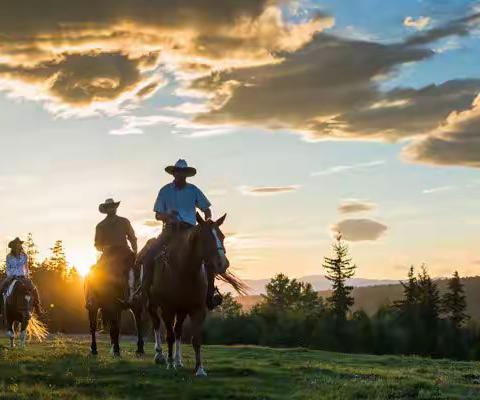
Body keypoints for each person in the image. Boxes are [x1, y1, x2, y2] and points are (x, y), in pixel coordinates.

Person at [136, 159, 223, 310]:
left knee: (208, 254)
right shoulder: (164, 191)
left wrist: (208, 221)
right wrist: (167, 215)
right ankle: (143, 291)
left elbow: (207, 208)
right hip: (170, 230)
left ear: (186, 174)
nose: (180, 175)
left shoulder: (193, 190)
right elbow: (157, 214)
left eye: (183, 172)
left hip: (190, 230)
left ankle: (210, 293)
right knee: (149, 255)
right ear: (174, 173)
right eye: (178, 172)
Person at [86, 198, 137, 307]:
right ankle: (91, 297)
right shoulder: (100, 226)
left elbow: (132, 238)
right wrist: (104, 247)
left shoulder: (124, 221)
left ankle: (136, 294)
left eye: (113, 206)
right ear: (106, 209)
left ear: (116, 208)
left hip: (125, 252)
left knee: (136, 268)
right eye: (109, 207)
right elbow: (97, 244)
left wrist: (135, 251)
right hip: (108, 254)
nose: (112, 209)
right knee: (94, 271)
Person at [0, 237, 42, 315]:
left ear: (20, 246)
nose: (17, 246)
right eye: (15, 245)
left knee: (33, 288)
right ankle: (1, 309)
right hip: (11, 276)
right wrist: (10, 275)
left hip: (22, 277)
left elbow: (26, 267)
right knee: (1, 287)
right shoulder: (9, 256)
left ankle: (37, 307)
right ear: (12, 246)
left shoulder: (24, 256)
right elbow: (8, 267)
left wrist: (26, 276)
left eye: (18, 244)